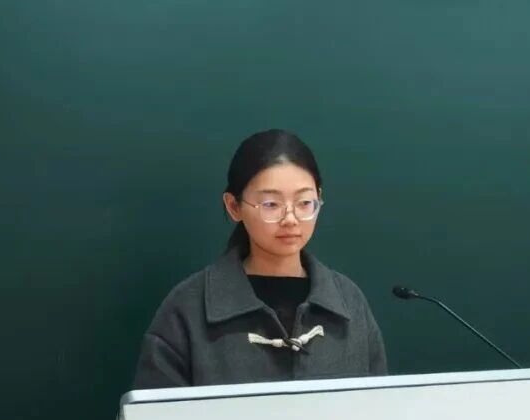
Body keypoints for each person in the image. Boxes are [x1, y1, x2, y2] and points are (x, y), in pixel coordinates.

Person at [133, 129, 386, 388]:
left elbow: (379, 406)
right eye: (271, 204)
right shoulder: (188, 308)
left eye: (304, 203)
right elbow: (157, 412)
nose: (290, 219)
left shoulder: (349, 302)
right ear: (234, 207)